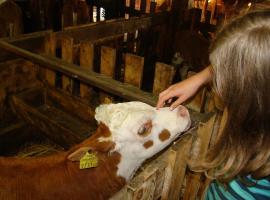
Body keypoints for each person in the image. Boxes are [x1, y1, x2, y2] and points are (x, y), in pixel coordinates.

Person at [157, 9, 270, 199]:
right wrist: (202, 77)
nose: (215, 88)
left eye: (220, 79)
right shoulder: (257, 133)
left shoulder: (248, 191)